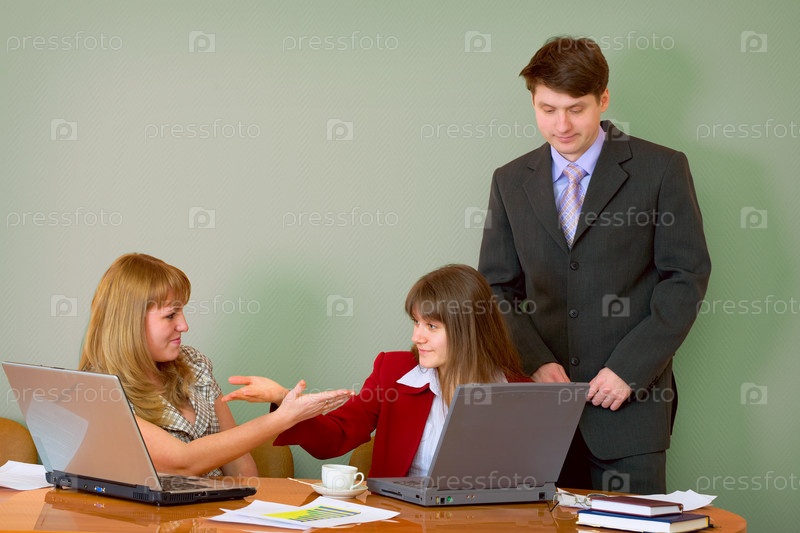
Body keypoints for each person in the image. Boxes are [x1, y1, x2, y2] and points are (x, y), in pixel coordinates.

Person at [477, 36, 711, 494]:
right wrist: (535, 362)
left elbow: (685, 279)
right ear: (533, 102)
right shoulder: (509, 180)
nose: (561, 125)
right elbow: (496, 288)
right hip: (540, 412)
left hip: (630, 411)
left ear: (603, 99)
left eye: (576, 109)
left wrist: (629, 369)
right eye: (547, 109)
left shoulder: (662, 168)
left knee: (630, 527)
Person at [221, 264, 530, 477]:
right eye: (416, 322)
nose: (417, 337)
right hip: (400, 523)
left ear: (469, 328)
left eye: (431, 326)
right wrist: (284, 399)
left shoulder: (522, 390)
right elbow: (336, 438)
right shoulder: (392, 371)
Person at [79, 253, 352, 478]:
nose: (184, 325)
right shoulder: (98, 392)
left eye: (182, 311)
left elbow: (241, 467)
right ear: (130, 323)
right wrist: (282, 418)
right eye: (171, 315)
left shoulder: (194, 364)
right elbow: (183, 462)